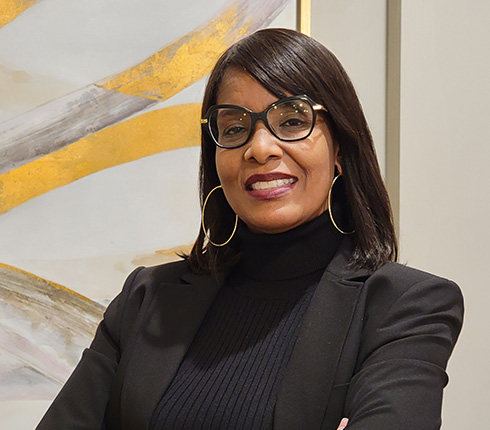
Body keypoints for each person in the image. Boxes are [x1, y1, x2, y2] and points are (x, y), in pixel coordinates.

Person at [37, 28, 463, 430]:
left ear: (339, 148)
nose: (259, 149)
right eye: (235, 128)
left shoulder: (407, 306)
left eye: (293, 121)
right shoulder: (146, 301)